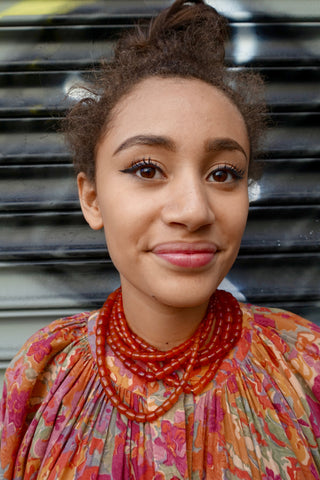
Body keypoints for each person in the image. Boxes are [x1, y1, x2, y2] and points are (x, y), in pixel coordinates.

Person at [1, 1, 320, 478]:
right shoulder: (42, 374)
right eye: (147, 169)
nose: (193, 210)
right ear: (91, 199)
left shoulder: (305, 367)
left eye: (223, 173)